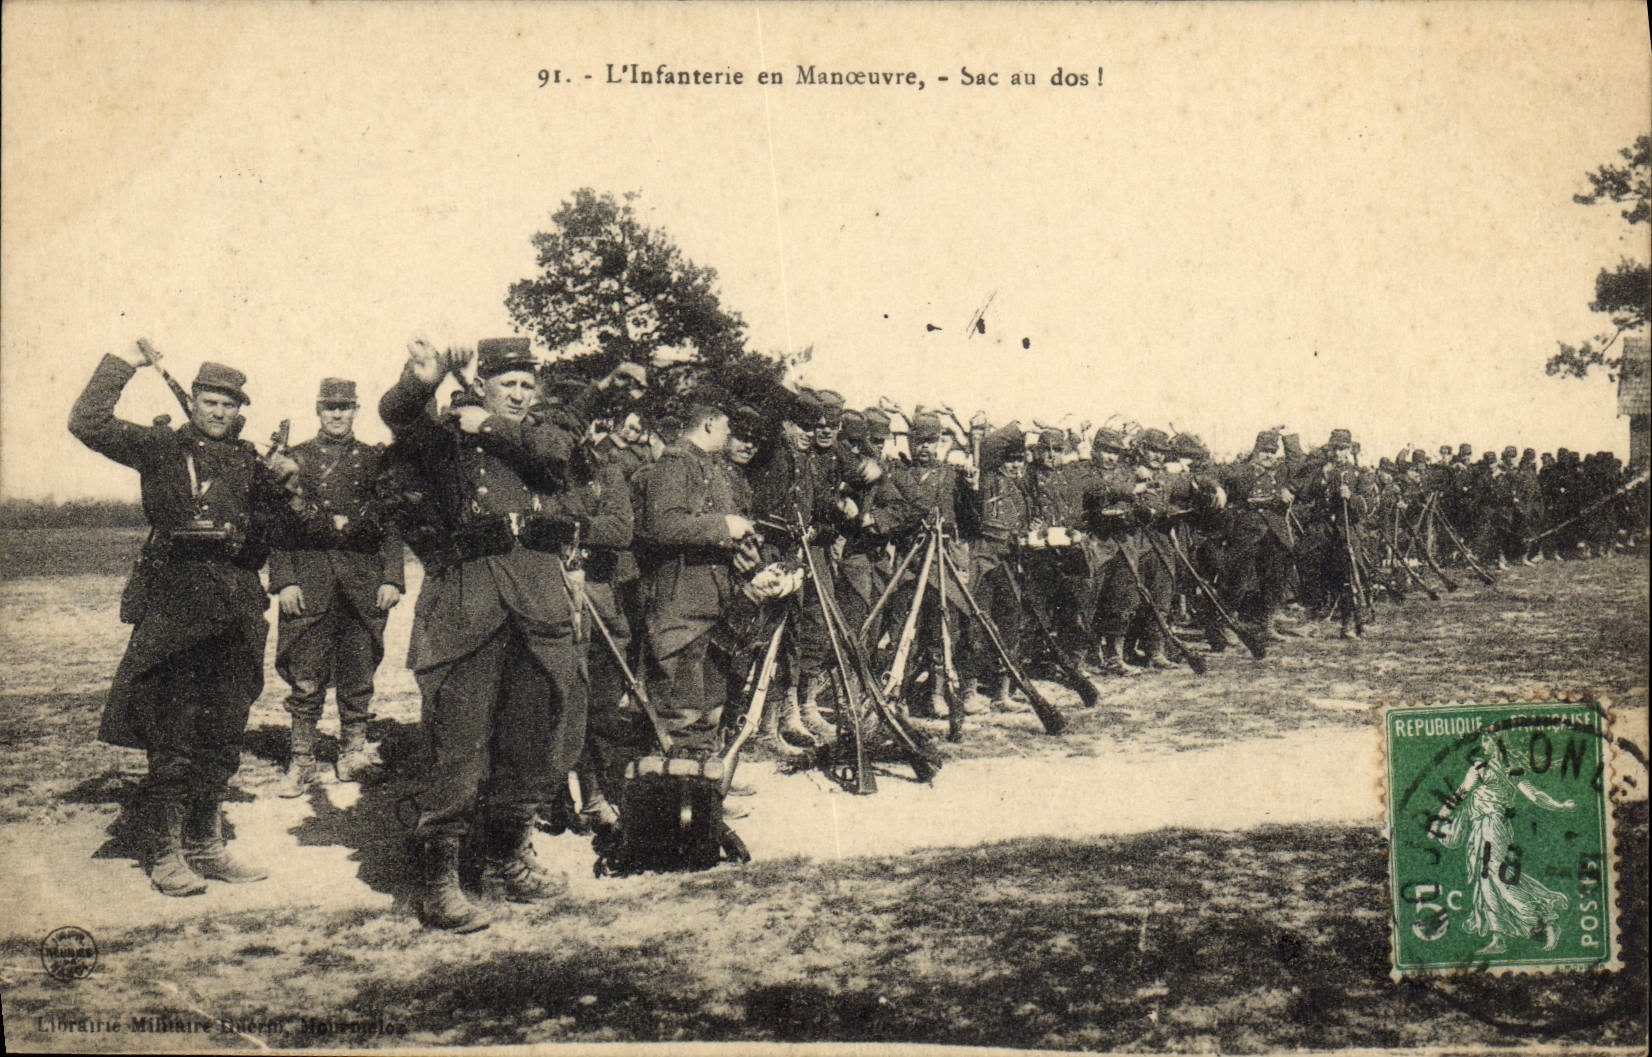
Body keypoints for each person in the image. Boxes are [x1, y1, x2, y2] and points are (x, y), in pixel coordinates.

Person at [69, 345, 307, 896]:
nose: (218, 412)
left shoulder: (254, 463)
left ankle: (206, 846)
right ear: (192, 402)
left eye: (229, 404)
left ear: (240, 412)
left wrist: (289, 486)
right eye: (209, 400)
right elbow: (87, 421)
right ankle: (165, 852)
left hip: (236, 610)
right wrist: (123, 364)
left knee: (223, 735)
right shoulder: (159, 448)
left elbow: (290, 532)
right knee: (171, 734)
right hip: (174, 607)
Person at [379, 337, 585, 932]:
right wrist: (421, 380)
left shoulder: (536, 438)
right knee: (460, 742)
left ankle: (507, 855)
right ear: (484, 385)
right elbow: (399, 417)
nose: (520, 394)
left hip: (538, 603)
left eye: (527, 385)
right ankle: (439, 877)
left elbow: (556, 451)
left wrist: (489, 423)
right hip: (469, 603)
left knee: (534, 735)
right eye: (507, 384)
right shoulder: (446, 440)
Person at [270, 378, 405, 797]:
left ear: (356, 410)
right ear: (317, 409)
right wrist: (285, 580)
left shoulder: (375, 460)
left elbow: (392, 522)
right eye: (330, 407)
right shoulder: (295, 459)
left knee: (358, 673)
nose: (337, 415)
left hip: (363, 583)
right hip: (311, 580)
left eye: (345, 407)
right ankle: (303, 759)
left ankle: (353, 753)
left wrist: (392, 577)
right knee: (306, 677)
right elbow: (278, 525)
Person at [631, 398, 758, 754]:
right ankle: (676, 796)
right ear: (708, 424)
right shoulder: (675, 463)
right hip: (681, 604)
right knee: (679, 709)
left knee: (708, 707)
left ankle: (704, 789)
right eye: (726, 426)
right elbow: (663, 526)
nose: (730, 434)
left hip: (712, 601)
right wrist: (724, 526)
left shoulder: (709, 466)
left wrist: (741, 545)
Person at [1429, 732, 1576, 954]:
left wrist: (1558, 805)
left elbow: (1533, 794)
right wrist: (1438, 821)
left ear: (1499, 742)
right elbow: (1460, 795)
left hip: (1493, 827)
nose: (1483, 744)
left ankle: (1544, 919)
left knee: (1499, 879)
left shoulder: (1499, 770)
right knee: (1486, 881)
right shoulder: (1493, 769)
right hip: (1484, 829)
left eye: (1488, 740)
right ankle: (1499, 938)